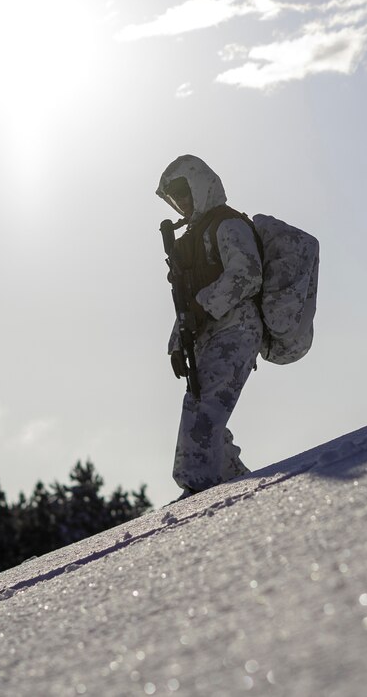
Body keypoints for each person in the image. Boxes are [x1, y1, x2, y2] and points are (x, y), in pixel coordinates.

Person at [156, 154, 263, 500]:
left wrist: (204, 307)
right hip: (208, 337)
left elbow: (247, 274)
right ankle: (240, 486)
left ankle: (198, 489)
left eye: (183, 191)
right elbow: (185, 299)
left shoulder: (227, 225)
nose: (181, 202)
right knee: (204, 410)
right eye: (174, 197)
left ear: (199, 184)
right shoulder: (190, 239)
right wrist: (177, 343)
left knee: (203, 411)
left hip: (236, 329)